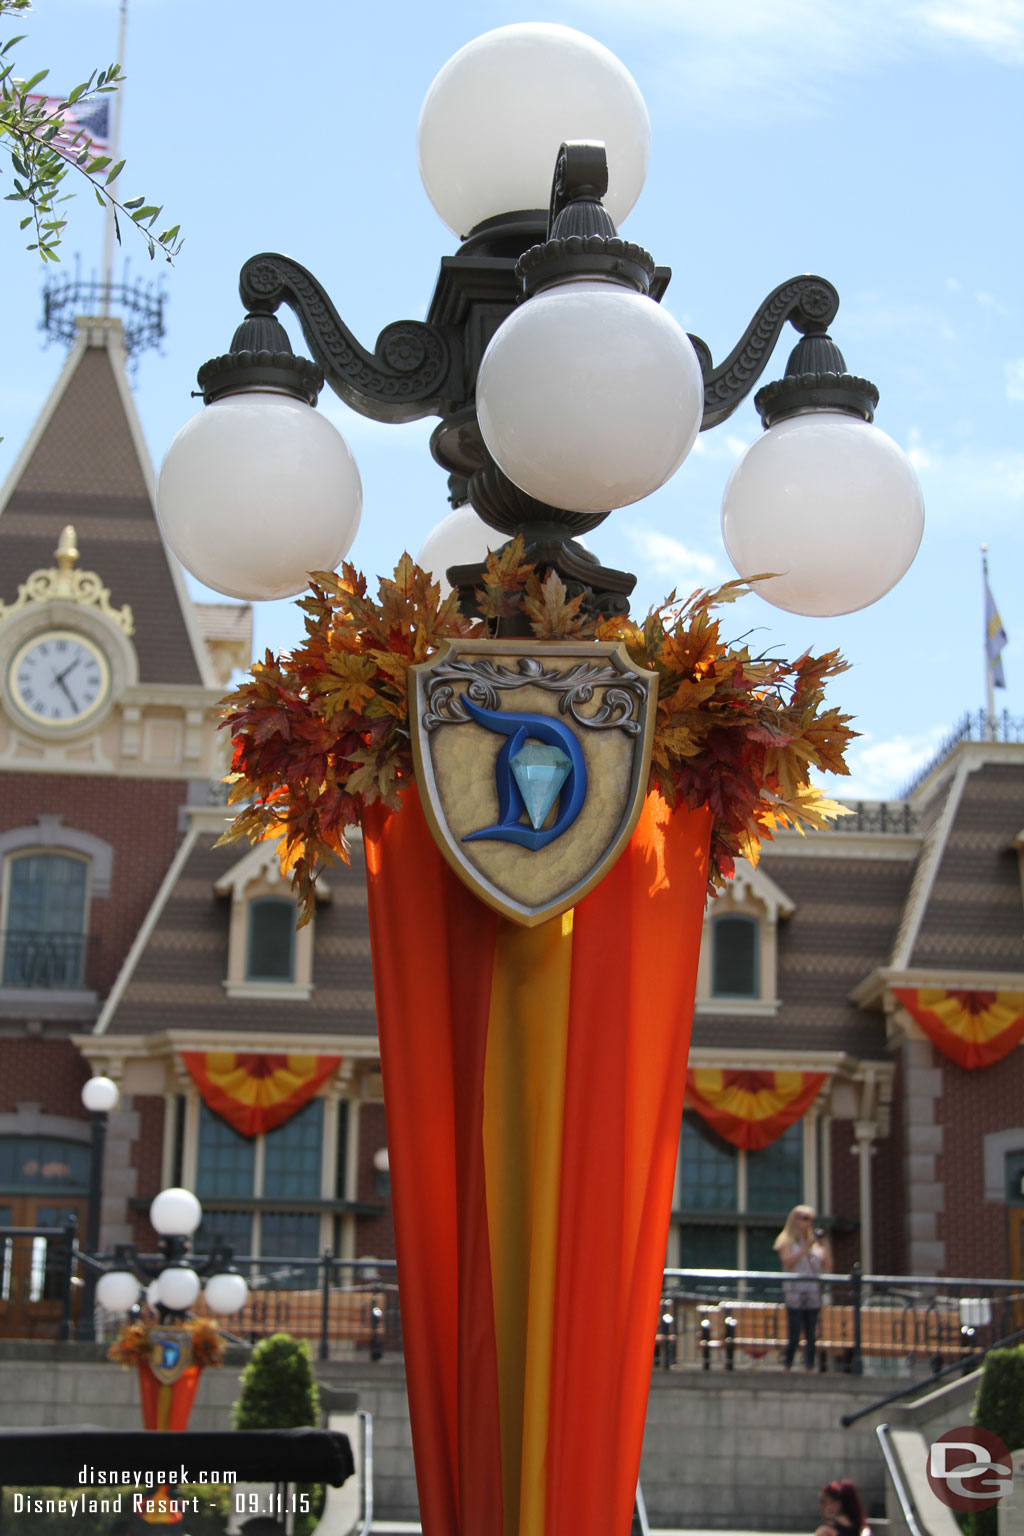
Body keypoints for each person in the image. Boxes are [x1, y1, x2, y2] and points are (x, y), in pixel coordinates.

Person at [774, 1203, 832, 1370]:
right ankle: (788, 1365)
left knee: (812, 1333)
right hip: (795, 1292)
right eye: (806, 1219)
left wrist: (824, 1244)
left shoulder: (815, 1243)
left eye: (812, 1219)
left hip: (812, 1292)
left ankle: (809, 1366)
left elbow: (827, 1266)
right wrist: (804, 1249)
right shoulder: (786, 1241)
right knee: (794, 1332)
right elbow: (787, 1262)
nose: (809, 1223)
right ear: (795, 1220)